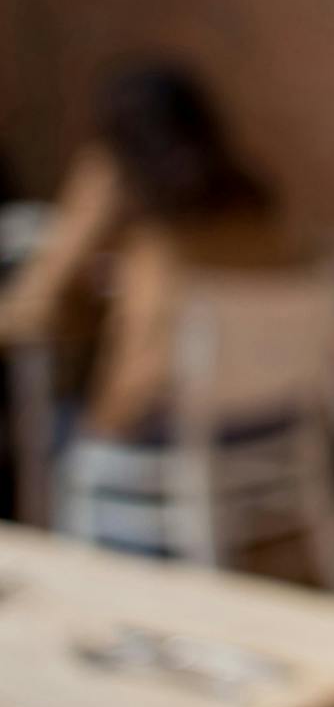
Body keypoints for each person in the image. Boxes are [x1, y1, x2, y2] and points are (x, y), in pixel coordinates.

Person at [0, 60, 297, 440]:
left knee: (52, 428)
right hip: (271, 418)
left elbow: (35, 305)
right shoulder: (251, 198)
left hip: (160, 419)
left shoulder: (120, 185)